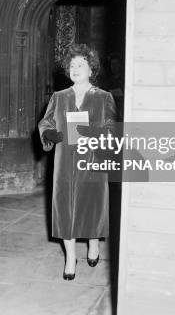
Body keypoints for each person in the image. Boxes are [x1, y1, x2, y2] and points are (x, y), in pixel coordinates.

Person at [38, 43, 116, 280]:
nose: (75, 68)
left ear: (91, 70)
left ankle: (94, 243)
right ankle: (70, 257)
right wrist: (48, 133)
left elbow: (113, 127)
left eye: (81, 64)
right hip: (65, 163)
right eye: (72, 65)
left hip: (92, 159)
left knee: (92, 205)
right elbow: (46, 122)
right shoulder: (59, 97)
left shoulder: (104, 98)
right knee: (64, 208)